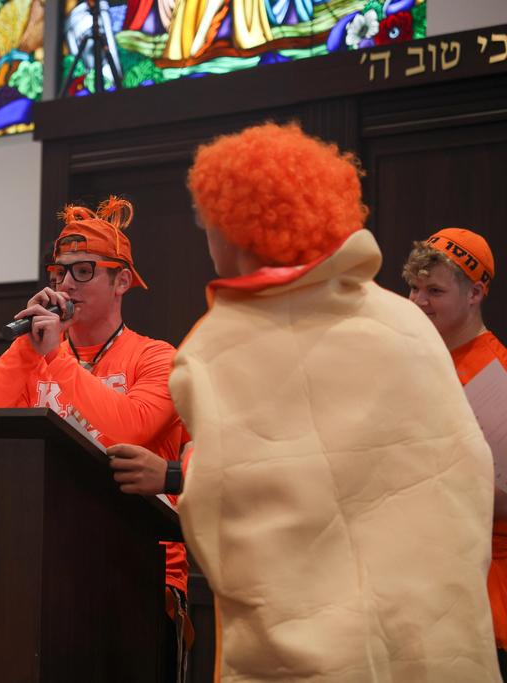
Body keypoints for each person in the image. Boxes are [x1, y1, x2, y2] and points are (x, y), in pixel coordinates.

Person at [165, 122, 499, 680]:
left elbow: (221, 510)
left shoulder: (216, 349)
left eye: (207, 222)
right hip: (430, 632)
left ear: (234, 232)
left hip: (311, 654)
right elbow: (461, 474)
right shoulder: (404, 320)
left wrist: (191, 463)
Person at [0, 196, 191, 680]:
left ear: (122, 281)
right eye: (59, 272)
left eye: (84, 270)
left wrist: (57, 358)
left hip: (140, 573)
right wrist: (25, 351)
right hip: (42, 569)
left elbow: (126, 429)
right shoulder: (35, 354)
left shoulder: (157, 357)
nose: (66, 283)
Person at [402, 227, 507, 675]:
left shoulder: (496, 374)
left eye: (435, 291)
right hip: (423, 589)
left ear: (475, 293)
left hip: (484, 596)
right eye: (414, 288)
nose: (418, 302)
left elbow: (502, 499)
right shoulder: (416, 361)